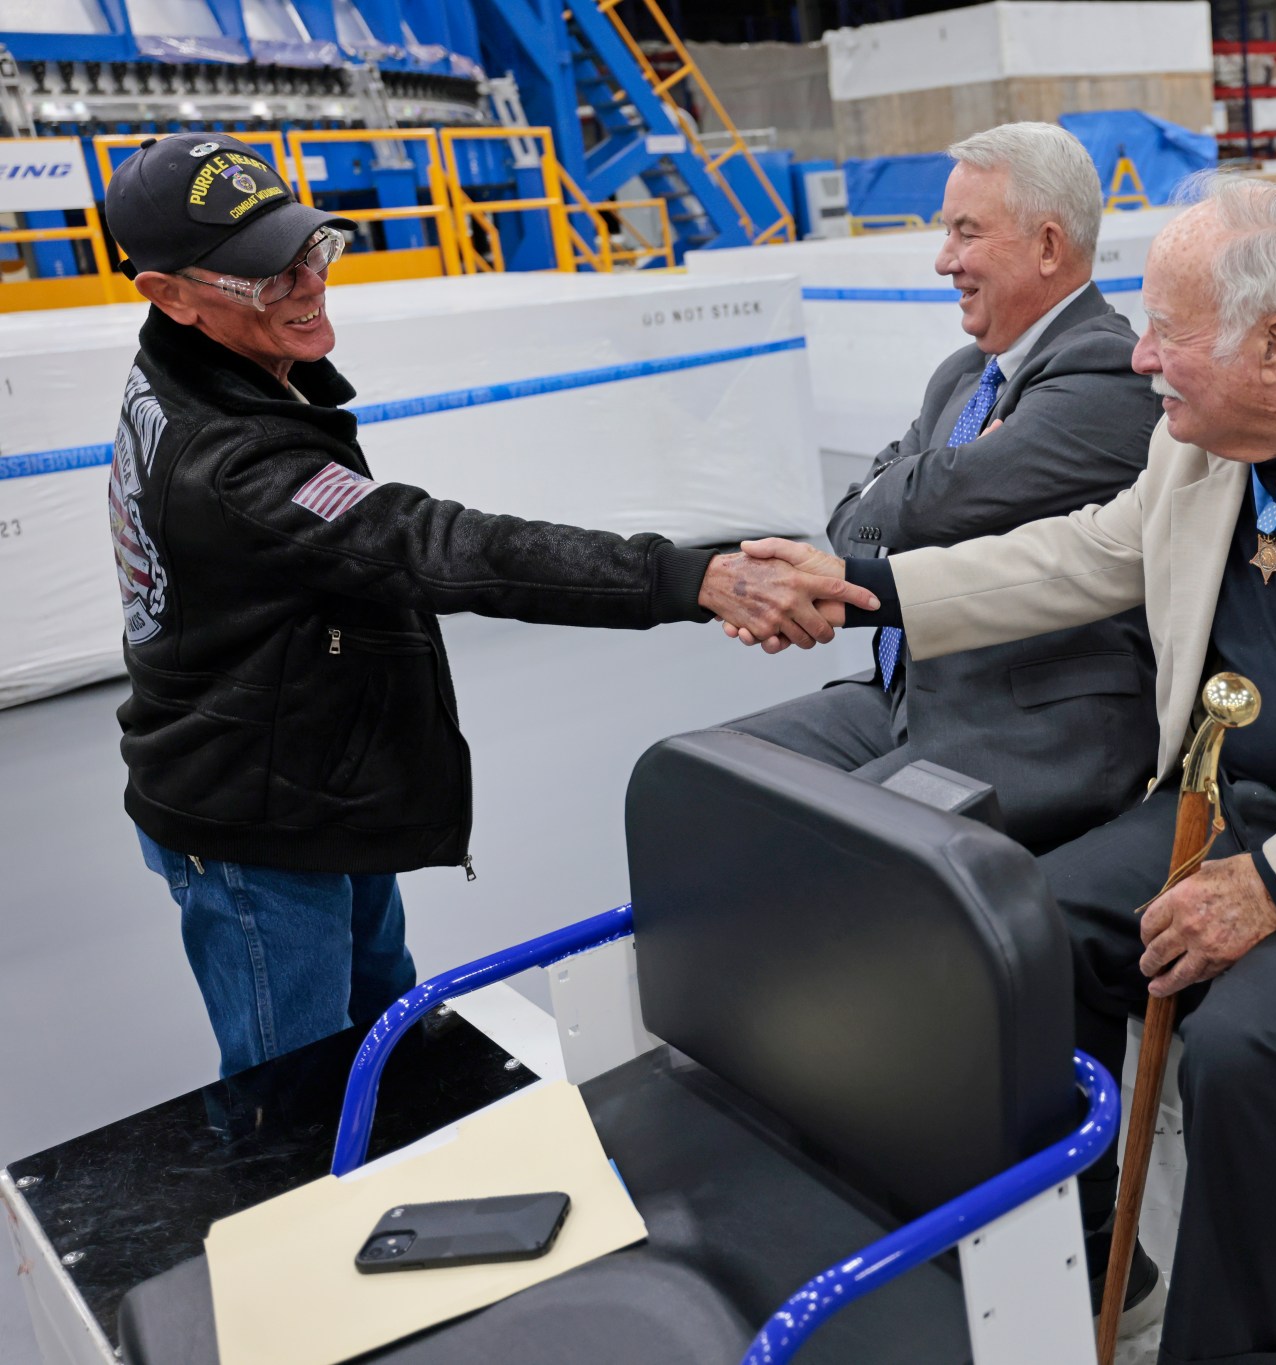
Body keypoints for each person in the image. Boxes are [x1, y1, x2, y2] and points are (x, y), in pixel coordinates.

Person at [731, 175, 1276, 1364]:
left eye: (1167, 330)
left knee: (1254, 1049)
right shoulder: (1201, 442)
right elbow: (1083, 556)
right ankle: (1107, 1257)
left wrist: (1269, 889)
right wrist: (868, 590)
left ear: (1275, 344)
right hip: (1233, 806)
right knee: (1025, 936)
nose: (1138, 355)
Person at [101, 133, 870, 1077]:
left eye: (309, 249)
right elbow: (444, 547)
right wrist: (698, 578)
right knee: (293, 1103)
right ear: (169, 295)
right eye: (265, 276)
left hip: (318, 780)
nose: (308, 283)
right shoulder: (233, 465)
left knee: (386, 1048)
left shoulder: (202, 374)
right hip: (258, 834)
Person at [720, 123, 1160, 852]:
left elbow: (924, 501)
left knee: (820, 850)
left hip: (1033, 725)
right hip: (912, 694)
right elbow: (855, 523)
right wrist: (921, 482)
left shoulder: (1107, 375)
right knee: (711, 774)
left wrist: (911, 483)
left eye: (965, 232)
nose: (942, 260)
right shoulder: (964, 374)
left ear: (1049, 246)